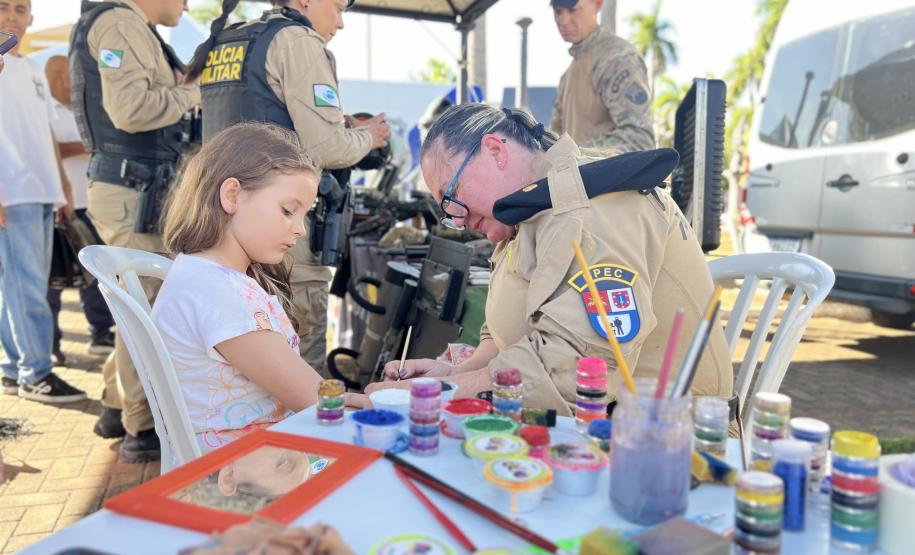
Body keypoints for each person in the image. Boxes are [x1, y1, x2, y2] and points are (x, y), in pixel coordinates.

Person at [372, 105, 732, 415]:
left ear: (496, 150)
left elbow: (577, 373)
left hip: (669, 441)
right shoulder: (532, 209)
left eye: (451, 198)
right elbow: (506, 335)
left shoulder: (588, 211)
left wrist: (432, 396)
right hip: (600, 425)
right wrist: (450, 375)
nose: (458, 220)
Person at [186, 0, 390, 376]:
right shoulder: (298, 40)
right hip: (277, 228)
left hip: (222, 225)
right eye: (338, 7)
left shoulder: (229, 40)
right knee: (299, 344)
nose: (340, 23)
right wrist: (368, 136)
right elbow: (327, 147)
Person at [153, 122, 368, 454]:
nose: (299, 230)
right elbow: (320, 404)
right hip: (242, 471)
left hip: (247, 457)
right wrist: (391, 406)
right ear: (232, 196)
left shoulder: (200, 275)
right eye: (287, 210)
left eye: (304, 216)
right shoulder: (222, 294)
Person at [70, 0, 200, 461]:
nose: (186, 4)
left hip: (134, 187)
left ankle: (114, 403)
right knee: (144, 312)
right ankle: (141, 427)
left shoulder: (131, 26)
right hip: (133, 191)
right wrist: (193, 93)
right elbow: (129, 109)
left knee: (134, 304)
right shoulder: (119, 22)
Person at [0, 0, 86, 403]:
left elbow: (45, 134)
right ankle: (35, 372)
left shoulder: (32, 68)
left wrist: (62, 190)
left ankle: (15, 367)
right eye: (4, 7)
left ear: (31, 19)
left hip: (40, 191)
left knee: (16, 286)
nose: (12, 16)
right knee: (26, 287)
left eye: (21, 9)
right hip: (10, 192)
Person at [43, 55, 117, 363]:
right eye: (62, 75)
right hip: (57, 205)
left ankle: (100, 331)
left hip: (92, 204)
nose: (68, 81)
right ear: (55, 78)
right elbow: (49, 150)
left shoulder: (87, 107)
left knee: (96, 274)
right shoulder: (46, 110)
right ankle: (50, 343)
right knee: (53, 279)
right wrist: (87, 145)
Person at [549, 0, 655, 153]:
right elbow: (554, 145)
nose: (563, 21)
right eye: (558, 12)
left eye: (573, 10)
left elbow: (639, 140)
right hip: (578, 176)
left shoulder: (615, 58)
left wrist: (574, 154)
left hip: (611, 177)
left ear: (597, 4)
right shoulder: (567, 76)